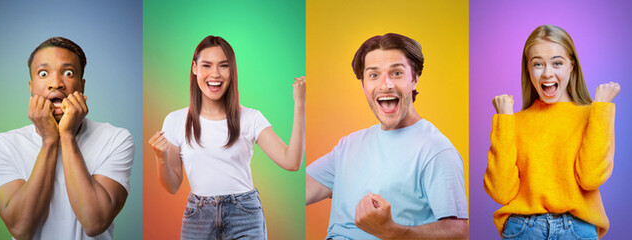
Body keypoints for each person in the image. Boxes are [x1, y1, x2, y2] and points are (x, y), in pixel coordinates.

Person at [304, 33, 469, 239]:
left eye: (397, 73)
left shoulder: (436, 149)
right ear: (363, 85)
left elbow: (460, 232)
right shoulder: (348, 145)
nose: (386, 84)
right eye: (374, 75)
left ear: (414, 79)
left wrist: (393, 231)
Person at [148, 35, 306, 239]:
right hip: (198, 217)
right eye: (206, 65)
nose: (215, 74)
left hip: (245, 215)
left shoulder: (251, 118)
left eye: (223, 66)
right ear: (194, 68)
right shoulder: (175, 120)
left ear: (232, 70)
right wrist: (160, 158)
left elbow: (291, 161)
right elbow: (172, 186)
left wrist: (300, 104)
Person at [0, 36, 134, 239]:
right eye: (43, 73)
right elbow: (20, 228)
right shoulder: (2, 145)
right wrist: (48, 141)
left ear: (81, 86)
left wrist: (67, 136)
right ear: (31, 86)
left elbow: (95, 222)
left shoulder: (116, 139)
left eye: (68, 73)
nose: (56, 83)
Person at [487, 24, 620, 240]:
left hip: (578, 228)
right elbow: (501, 192)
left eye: (557, 63)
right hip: (523, 228)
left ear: (571, 66)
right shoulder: (514, 122)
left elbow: (590, 178)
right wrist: (503, 119)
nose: (547, 73)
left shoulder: (594, 115)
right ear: (528, 70)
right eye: (538, 64)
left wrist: (602, 107)